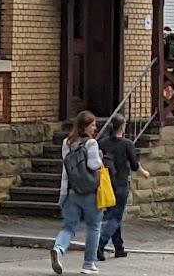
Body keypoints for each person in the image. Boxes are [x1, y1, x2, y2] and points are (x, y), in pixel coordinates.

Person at [51, 109, 104, 275]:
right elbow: (94, 165)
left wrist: (62, 195)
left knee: (68, 227)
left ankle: (58, 250)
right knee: (94, 227)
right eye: (93, 125)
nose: (94, 129)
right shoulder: (91, 143)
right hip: (90, 192)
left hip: (71, 191)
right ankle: (88, 264)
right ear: (86, 126)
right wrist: (101, 156)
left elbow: (66, 170)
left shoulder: (67, 142)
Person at [96, 113, 148, 260]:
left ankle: (119, 248)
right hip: (121, 183)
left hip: (107, 183)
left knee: (114, 214)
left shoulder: (103, 142)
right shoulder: (127, 144)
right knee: (115, 217)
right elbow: (134, 164)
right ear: (123, 127)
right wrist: (144, 173)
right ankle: (99, 245)